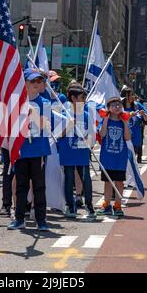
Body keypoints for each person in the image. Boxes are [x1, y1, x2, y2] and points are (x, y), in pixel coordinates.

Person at [8, 69, 51, 231]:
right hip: (21, 150)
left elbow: (44, 127)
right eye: (33, 81)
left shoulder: (45, 103)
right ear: (24, 83)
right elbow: (11, 127)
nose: (37, 84)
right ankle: (19, 218)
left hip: (38, 151)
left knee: (39, 186)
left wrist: (33, 114)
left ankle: (41, 219)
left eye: (39, 81)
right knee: (21, 186)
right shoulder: (16, 102)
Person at [58, 85, 96, 220]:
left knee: (86, 179)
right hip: (68, 152)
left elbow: (93, 134)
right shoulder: (64, 114)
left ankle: (90, 207)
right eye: (82, 97)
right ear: (73, 98)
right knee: (68, 179)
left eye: (85, 97)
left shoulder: (86, 115)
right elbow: (56, 135)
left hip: (82, 153)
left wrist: (88, 140)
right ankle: (70, 205)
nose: (84, 100)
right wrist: (68, 125)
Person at [97, 97, 131, 218]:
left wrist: (125, 122)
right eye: (114, 105)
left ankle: (118, 204)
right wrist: (105, 119)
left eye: (119, 105)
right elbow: (102, 134)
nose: (117, 107)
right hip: (107, 157)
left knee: (119, 182)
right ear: (109, 108)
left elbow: (127, 138)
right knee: (107, 182)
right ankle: (106, 204)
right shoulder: (105, 120)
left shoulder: (123, 121)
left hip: (120, 157)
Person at [121, 87, 147, 164]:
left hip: (135, 136)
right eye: (130, 95)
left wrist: (144, 114)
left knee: (131, 159)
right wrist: (129, 115)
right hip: (123, 137)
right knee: (124, 159)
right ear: (125, 96)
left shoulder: (137, 105)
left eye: (133, 94)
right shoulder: (120, 106)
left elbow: (146, 118)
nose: (133, 97)